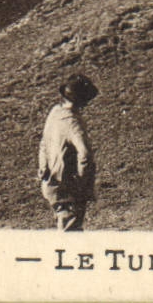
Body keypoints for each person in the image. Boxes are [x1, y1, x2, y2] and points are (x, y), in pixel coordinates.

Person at [38, 73, 98, 231]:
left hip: (51, 185)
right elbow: (85, 155)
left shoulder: (55, 112)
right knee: (70, 237)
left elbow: (43, 142)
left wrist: (43, 168)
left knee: (64, 231)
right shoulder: (73, 122)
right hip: (68, 189)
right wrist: (82, 181)